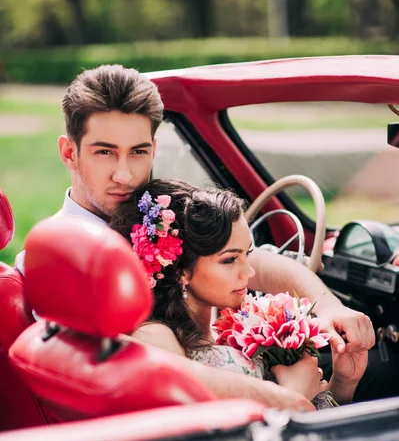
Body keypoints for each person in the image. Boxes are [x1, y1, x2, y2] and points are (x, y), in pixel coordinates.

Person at [15, 64, 377, 405]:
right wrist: (291, 401)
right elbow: (157, 374)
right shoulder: (57, 260)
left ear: (154, 149)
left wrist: (328, 306)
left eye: (138, 152)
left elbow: (258, 263)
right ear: (69, 152)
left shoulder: (161, 206)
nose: (124, 175)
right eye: (105, 153)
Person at [109, 178, 368, 408]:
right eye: (230, 260)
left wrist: (343, 382)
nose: (250, 273)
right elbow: (199, 431)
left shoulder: (235, 325)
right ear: (181, 270)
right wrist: (292, 394)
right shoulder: (153, 335)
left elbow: (319, 420)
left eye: (248, 254)